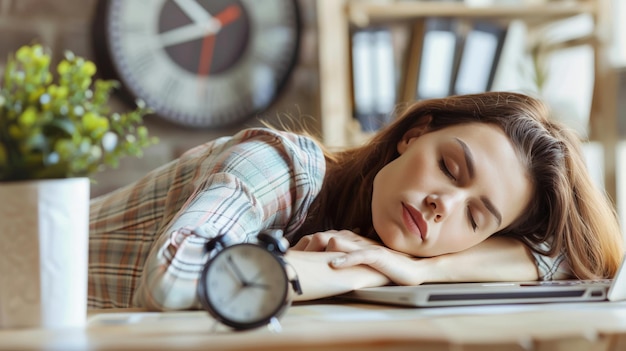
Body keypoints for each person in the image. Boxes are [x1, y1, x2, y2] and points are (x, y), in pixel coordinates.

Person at [88, 91, 624, 310]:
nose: (444, 204)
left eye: (476, 215)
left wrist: (413, 271)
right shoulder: (280, 167)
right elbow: (175, 280)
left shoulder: (396, 246)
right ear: (413, 135)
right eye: (449, 167)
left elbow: (572, 259)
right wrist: (360, 269)